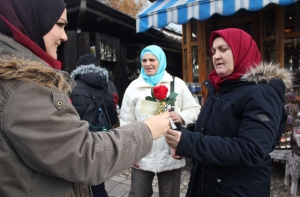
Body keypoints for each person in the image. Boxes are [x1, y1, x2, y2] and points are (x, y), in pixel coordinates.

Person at [0, 1, 171, 197]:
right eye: (60, 24)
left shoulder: (175, 83)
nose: (64, 36)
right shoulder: (21, 86)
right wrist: (147, 130)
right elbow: (84, 153)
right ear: (31, 19)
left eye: (152, 60)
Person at [165, 28, 293, 197]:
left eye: (223, 49)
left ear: (242, 51)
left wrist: (190, 142)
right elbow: (217, 129)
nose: (216, 55)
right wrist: (184, 137)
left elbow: (251, 149)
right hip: (208, 183)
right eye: (214, 51)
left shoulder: (262, 93)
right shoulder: (221, 87)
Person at [120, 45, 200, 197]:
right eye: (144, 60)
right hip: (142, 153)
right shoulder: (134, 88)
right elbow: (126, 122)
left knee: (170, 194)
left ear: (161, 61)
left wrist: (182, 116)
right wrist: (130, 152)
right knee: (138, 193)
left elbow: (195, 110)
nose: (147, 64)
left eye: (152, 60)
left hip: (170, 152)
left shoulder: (177, 84)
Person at [70, 58, 119, 197]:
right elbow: (113, 119)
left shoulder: (72, 86)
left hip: (78, 142)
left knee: (78, 185)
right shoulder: (106, 87)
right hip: (100, 141)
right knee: (98, 184)